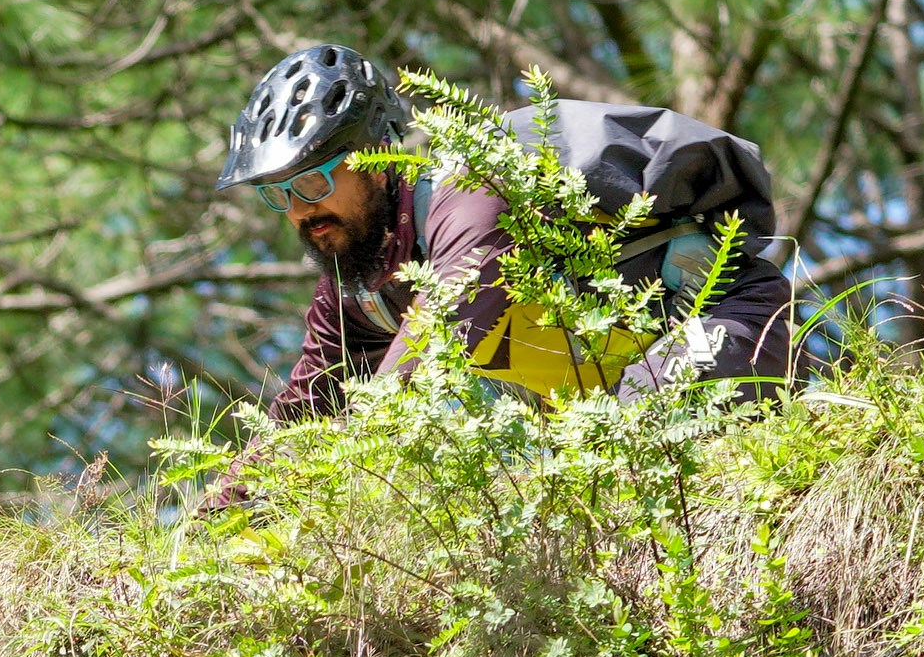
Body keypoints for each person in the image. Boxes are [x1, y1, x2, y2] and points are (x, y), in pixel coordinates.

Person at [221, 42, 802, 417]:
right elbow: (302, 414)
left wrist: (352, 469)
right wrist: (208, 532)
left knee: (650, 439)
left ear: (373, 153)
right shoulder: (358, 289)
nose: (299, 211)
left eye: (314, 183)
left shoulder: (473, 196)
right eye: (278, 193)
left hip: (718, 321)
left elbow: (433, 347)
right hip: (598, 394)